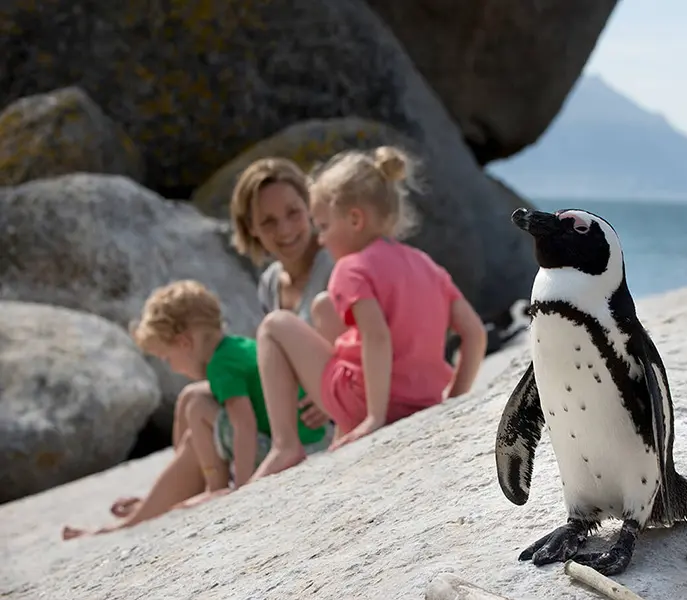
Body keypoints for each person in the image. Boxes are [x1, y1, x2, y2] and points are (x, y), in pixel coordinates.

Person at [248, 145, 488, 482]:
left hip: (368, 402)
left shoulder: (351, 268)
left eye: (324, 226)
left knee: (275, 325)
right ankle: (341, 428)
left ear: (355, 220)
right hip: (425, 399)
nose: (320, 238)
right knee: (325, 308)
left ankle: (286, 445)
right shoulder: (427, 264)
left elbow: (377, 337)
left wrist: (374, 417)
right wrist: (456, 397)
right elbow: (475, 332)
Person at [62, 280, 327, 539]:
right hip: (307, 435)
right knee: (192, 397)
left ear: (185, 342)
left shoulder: (222, 367)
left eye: (168, 358)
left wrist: (244, 487)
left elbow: (243, 425)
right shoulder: (233, 348)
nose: (172, 367)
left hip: (295, 444)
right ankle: (171, 493)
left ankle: (213, 486)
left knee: (199, 407)